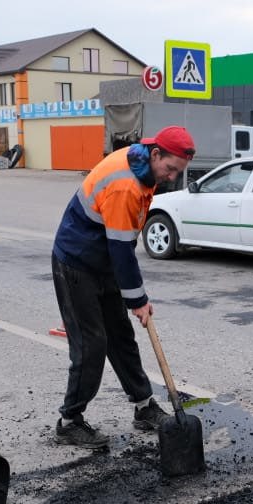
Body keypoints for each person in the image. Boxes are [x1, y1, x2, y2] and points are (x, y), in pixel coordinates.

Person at [51, 126, 195, 448]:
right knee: (92, 344)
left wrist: (135, 297)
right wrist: (138, 300)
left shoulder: (144, 168)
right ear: (155, 154)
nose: (171, 177)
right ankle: (69, 422)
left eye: (178, 172)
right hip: (76, 263)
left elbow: (122, 243)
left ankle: (144, 407)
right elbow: (121, 249)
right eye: (170, 168)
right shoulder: (126, 185)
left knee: (122, 337)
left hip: (103, 259)